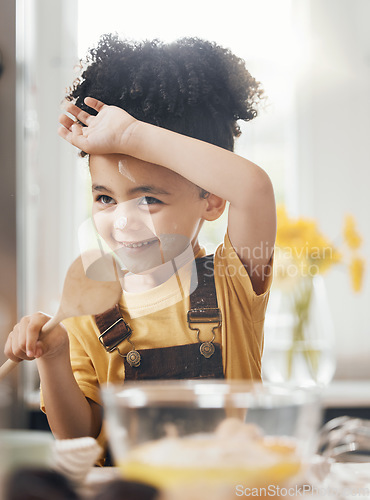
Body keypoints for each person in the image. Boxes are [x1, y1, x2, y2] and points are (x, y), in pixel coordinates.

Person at [4, 35, 276, 459]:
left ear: (212, 199)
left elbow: (254, 188)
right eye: (105, 198)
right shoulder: (87, 306)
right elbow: (79, 438)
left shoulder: (233, 282)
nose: (124, 220)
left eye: (149, 199)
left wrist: (131, 135)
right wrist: (53, 357)